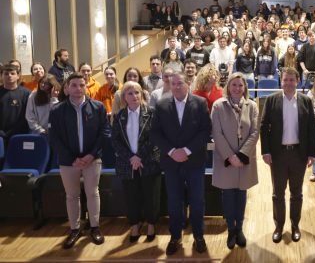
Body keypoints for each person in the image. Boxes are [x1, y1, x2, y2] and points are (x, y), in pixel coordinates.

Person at [150, 71, 212, 255]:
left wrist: (185, 151)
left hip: (194, 161)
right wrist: (171, 152)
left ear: (188, 83)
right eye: (173, 83)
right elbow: (155, 133)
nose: (176, 86)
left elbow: (205, 131)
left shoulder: (200, 103)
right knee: (175, 202)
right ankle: (175, 236)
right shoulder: (161, 105)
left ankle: (199, 236)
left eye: (180, 83)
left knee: (197, 202)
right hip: (171, 163)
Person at [49, 72, 110, 249]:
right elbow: (54, 138)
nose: (78, 88)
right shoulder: (57, 110)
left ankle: (95, 227)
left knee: (93, 192)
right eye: (73, 85)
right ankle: (75, 229)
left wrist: (91, 155)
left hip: (92, 159)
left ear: (86, 87)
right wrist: (71, 158)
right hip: (69, 161)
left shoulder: (98, 107)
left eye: (81, 85)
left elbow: (104, 134)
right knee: (72, 195)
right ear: (67, 88)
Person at [260, 67, 315, 244]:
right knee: (278, 193)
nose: (289, 83)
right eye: (286, 80)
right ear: (281, 81)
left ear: (297, 81)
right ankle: (279, 226)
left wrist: (311, 154)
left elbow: (311, 130)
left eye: (292, 80)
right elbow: (263, 126)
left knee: (297, 193)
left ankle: (295, 225)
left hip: (299, 154)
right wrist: (266, 151)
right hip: (278, 154)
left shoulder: (306, 101)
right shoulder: (271, 100)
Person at [211, 73, 259, 249]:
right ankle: (230, 229)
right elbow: (216, 133)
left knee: (241, 195)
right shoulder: (218, 106)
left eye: (240, 85)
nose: (237, 88)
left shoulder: (252, 106)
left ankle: (240, 228)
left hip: (244, 160)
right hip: (227, 159)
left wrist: (241, 155)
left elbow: (255, 132)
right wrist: (230, 156)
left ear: (245, 87)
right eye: (234, 85)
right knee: (228, 196)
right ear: (228, 87)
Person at [111, 81, 161, 243]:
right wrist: (131, 158)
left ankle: (151, 224)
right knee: (131, 196)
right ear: (124, 97)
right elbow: (115, 141)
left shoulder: (152, 113)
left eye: (137, 92)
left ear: (142, 94)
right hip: (127, 163)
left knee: (150, 195)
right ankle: (134, 224)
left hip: (148, 161)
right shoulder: (119, 116)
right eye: (130, 93)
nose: (134, 96)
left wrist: (139, 156)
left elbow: (155, 138)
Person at [0, 64, 31, 145]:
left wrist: (17, 130)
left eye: (12, 73)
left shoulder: (27, 93)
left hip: (20, 134)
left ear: (18, 76)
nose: (9, 76)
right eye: (6, 74)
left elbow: (28, 115)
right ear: (1, 76)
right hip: (1, 136)